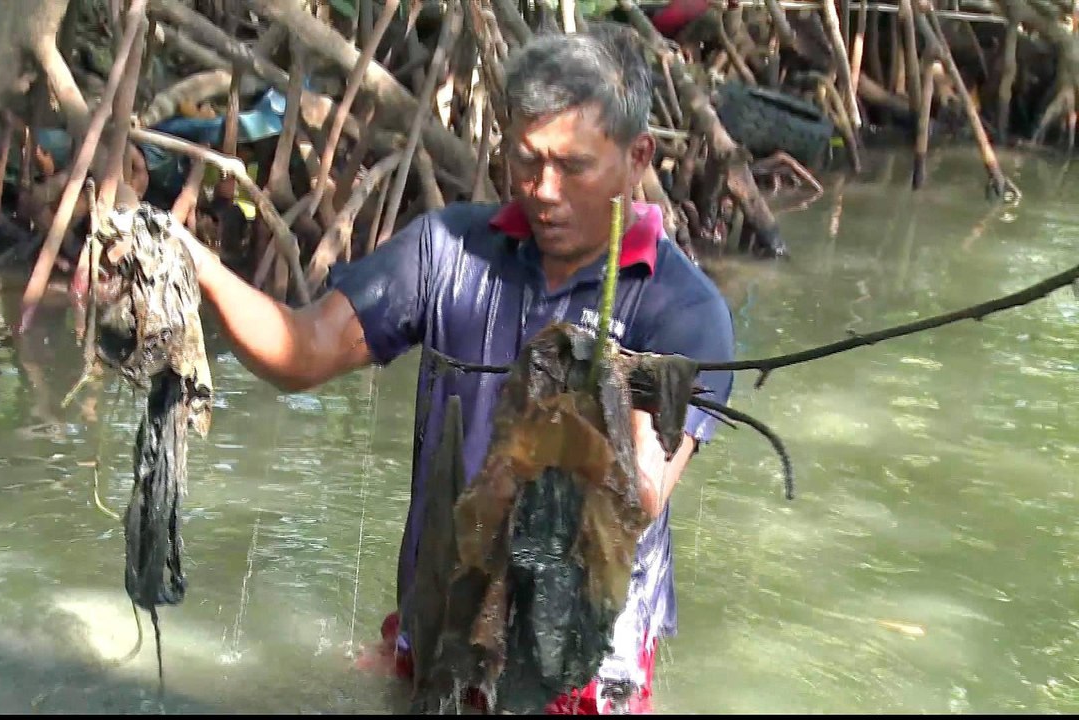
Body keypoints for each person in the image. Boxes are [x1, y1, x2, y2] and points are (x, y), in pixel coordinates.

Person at [176, 24, 736, 715]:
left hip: (582, 668)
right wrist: (196, 266)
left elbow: (639, 496)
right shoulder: (447, 251)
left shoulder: (682, 310)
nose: (544, 189)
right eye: (526, 160)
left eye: (574, 166)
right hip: (442, 628)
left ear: (636, 157)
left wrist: (583, 399)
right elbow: (301, 354)